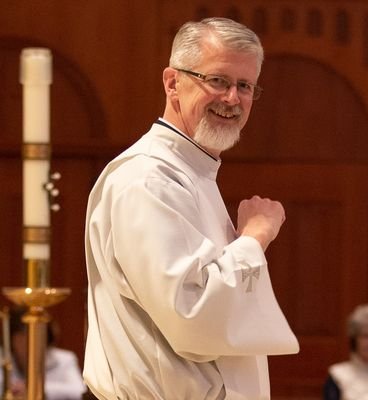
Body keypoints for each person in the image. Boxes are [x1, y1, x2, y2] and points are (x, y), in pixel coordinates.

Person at [83, 17, 299, 400]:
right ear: (172, 83)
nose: (232, 98)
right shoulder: (148, 179)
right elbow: (191, 316)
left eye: (245, 86)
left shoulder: (192, 174)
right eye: (217, 80)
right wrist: (254, 238)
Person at [0, 306, 86, 400]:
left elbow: (79, 391)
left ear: (46, 336)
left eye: (35, 334)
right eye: (22, 334)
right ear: (11, 337)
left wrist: (34, 388)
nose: (29, 340)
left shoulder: (65, 359)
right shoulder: (4, 359)